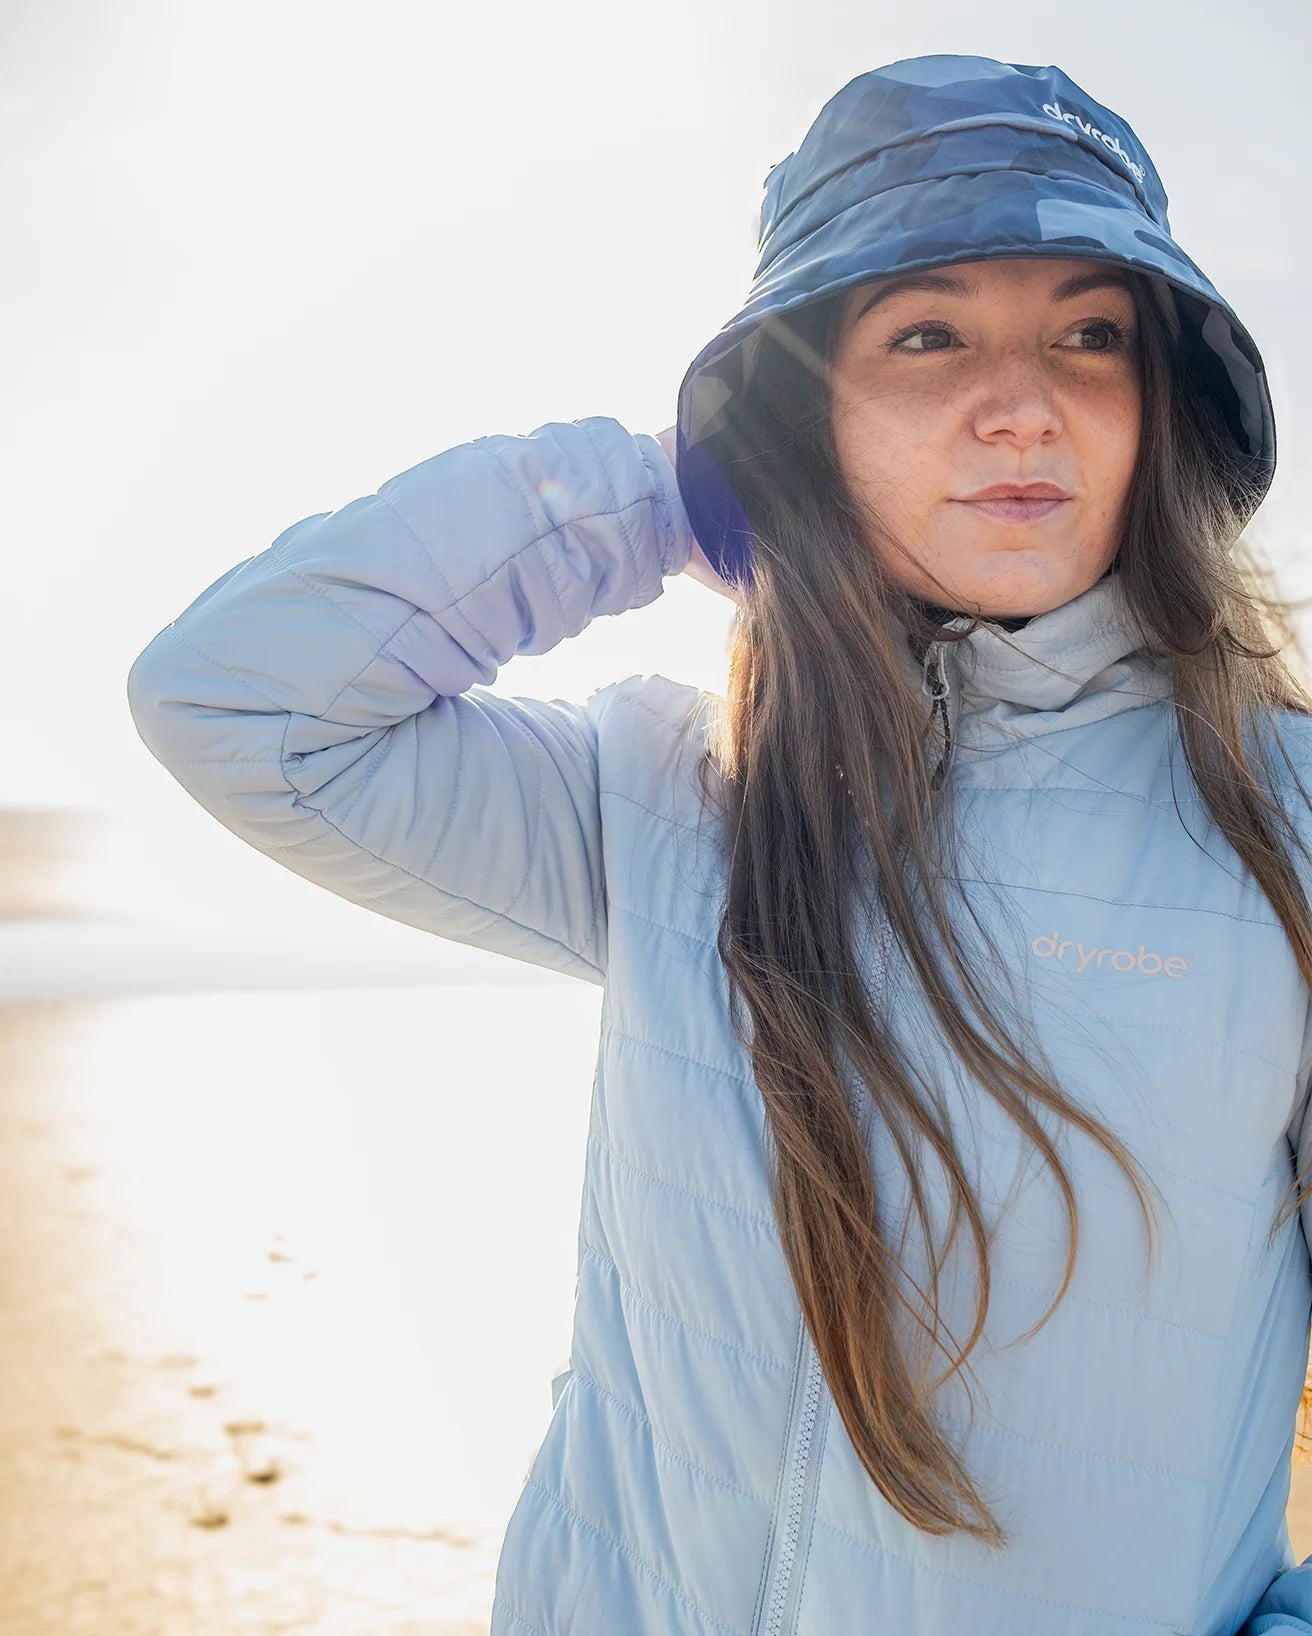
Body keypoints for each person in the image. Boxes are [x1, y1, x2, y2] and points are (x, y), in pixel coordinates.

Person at [124, 51, 1312, 1636]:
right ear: (804, 410)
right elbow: (237, 703)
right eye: (927, 335)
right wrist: (682, 493)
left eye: (1092, 336)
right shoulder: (666, 794)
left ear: (1162, 404)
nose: (1024, 406)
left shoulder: (1282, 820)